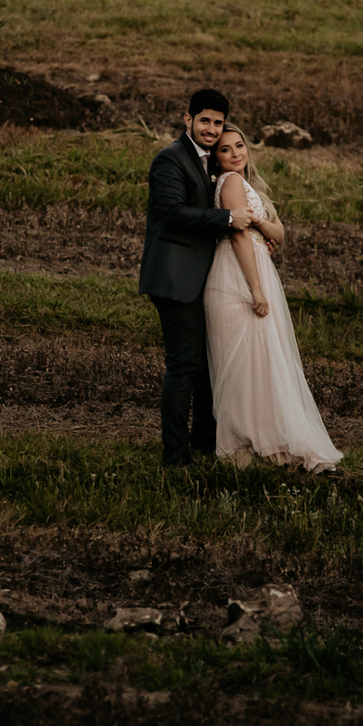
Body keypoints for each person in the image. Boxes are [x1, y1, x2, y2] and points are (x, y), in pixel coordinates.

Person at [203, 122, 343, 473]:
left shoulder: (248, 184)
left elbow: (279, 231)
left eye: (239, 146)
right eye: (225, 149)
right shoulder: (231, 182)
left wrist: (261, 226)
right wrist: (255, 288)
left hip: (254, 265)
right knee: (248, 363)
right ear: (216, 159)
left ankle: (264, 442)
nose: (235, 154)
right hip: (239, 273)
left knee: (261, 361)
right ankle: (246, 444)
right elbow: (237, 238)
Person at [138, 88, 256, 467]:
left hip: (202, 278)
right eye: (204, 120)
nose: (211, 128)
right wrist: (226, 219)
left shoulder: (209, 162)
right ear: (187, 119)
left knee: (207, 364)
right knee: (184, 365)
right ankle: (175, 457)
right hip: (174, 278)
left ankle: (205, 442)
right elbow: (172, 212)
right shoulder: (170, 159)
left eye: (217, 122)